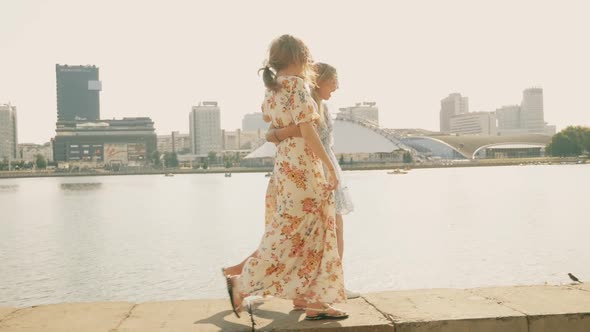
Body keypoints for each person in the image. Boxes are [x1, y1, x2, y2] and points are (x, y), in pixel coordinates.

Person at [225, 34, 348, 321]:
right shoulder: (297, 86)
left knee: (293, 231)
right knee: (317, 229)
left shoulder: (273, 88)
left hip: (285, 168)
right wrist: (329, 165)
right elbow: (308, 131)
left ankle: (311, 299)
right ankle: (243, 284)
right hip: (305, 167)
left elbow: (272, 123)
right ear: (300, 57)